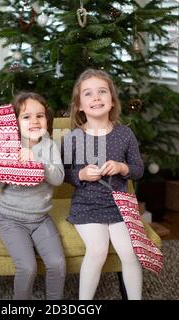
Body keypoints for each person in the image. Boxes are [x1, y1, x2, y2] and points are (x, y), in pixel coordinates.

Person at [62, 69, 145, 300]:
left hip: (119, 206)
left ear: (111, 101)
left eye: (102, 92)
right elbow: (63, 174)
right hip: (87, 206)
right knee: (97, 250)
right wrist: (81, 174)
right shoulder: (72, 138)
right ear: (79, 105)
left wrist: (122, 168)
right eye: (88, 94)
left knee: (130, 253)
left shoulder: (125, 134)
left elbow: (138, 171)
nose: (96, 98)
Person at [0, 92, 66, 300]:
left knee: (57, 263)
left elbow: (58, 178)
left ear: (47, 119)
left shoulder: (49, 145)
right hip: (11, 221)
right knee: (27, 267)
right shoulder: (7, 147)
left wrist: (36, 160)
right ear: (15, 123)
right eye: (26, 117)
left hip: (41, 219)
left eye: (40, 116)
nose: (34, 121)